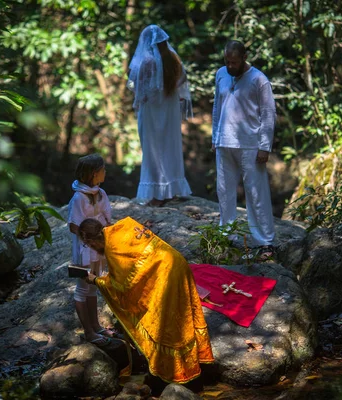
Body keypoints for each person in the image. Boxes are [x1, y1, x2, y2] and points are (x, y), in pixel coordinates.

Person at [78, 216, 214, 384]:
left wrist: (95, 280)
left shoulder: (112, 250)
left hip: (166, 276)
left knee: (166, 323)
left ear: (90, 239)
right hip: (177, 263)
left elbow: (120, 286)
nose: (90, 248)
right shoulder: (123, 226)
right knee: (183, 317)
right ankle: (195, 362)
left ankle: (174, 373)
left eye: (88, 244)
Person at [211, 40, 276, 260]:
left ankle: (265, 241)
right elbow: (217, 107)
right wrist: (215, 136)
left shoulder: (259, 80)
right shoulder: (221, 74)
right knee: (224, 190)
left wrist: (264, 146)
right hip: (224, 142)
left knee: (256, 193)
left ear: (244, 57)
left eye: (234, 62)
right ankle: (226, 234)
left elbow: (268, 114)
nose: (230, 66)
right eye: (227, 61)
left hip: (250, 143)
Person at [127, 24, 193, 207]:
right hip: (170, 109)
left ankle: (157, 195)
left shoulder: (147, 61)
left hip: (152, 113)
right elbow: (183, 79)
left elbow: (136, 87)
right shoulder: (173, 59)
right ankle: (170, 190)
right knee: (169, 148)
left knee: (153, 151)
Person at [67, 154, 120, 348]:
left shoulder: (101, 193)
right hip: (85, 250)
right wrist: (90, 237)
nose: (105, 172)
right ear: (93, 173)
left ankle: (96, 326)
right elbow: (73, 226)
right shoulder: (79, 198)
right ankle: (88, 332)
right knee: (83, 288)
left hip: (99, 247)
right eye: (103, 169)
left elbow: (107, 218)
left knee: (93, 285)